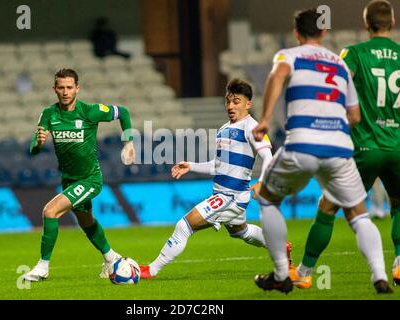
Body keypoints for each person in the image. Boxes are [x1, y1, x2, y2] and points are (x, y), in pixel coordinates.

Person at [252, 8, 393, 294]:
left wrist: (265, 118)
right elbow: (354, 116)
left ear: (296, 33)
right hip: (339, 149)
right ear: (324, 32)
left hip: (302, 143)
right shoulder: (338, 64)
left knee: (267, 199)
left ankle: (282, 274)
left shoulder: (288, 56)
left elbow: (276, 77)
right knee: (359, 215)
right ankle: (379, 275)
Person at [290, 0, 400, 288]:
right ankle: (399, 264)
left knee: (327, 207)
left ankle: (303, 271)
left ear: (366, 24)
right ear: (393, 21)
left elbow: (334, 86)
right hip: (398, 147)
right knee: (399, 206)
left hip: (365, 146)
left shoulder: (353, 53)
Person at [139, 78, 292, 279]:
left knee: (184, 225)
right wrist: (191, 166)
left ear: (248, 104)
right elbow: (217, 166)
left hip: (231, 196)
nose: (230, 106)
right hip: (224, 194)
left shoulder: (253, 128)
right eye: (228, 101)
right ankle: (280, 246)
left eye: (236, 101)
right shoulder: (222, 129)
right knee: (242, 232)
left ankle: (152, 269)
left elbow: (268, 157)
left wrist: (262, 182)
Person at [23, 68, 135, 281]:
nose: (65, 92)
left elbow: (124, 112)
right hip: (69, 180)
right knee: (86, 222)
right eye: (61, 87)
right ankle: (111, 258)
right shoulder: (49, 114)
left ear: (77, 88)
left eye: (69, 87)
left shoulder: (90, 111)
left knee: (50, 211)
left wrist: (128, 142)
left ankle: (43, 266)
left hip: (90, 179)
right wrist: (38, 143)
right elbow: (32, 149)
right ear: (54, 89)